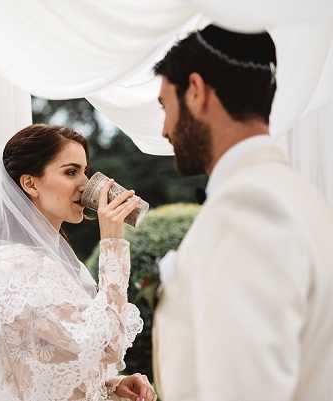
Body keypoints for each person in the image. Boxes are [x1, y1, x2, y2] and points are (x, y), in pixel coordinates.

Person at [151, 24, 333, 401]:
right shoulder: (302, 197)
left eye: (165, 106)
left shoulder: (249, 208)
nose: (165, 129)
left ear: (197, 92)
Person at [0, 124, 156, 401]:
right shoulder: (13, 267)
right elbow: (107, 345)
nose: (85, 184)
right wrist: (112, 244)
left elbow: (63, 360)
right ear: (30, 183)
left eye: (85, 171)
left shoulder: (63, 264)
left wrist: (110, 385)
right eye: (71, 172)